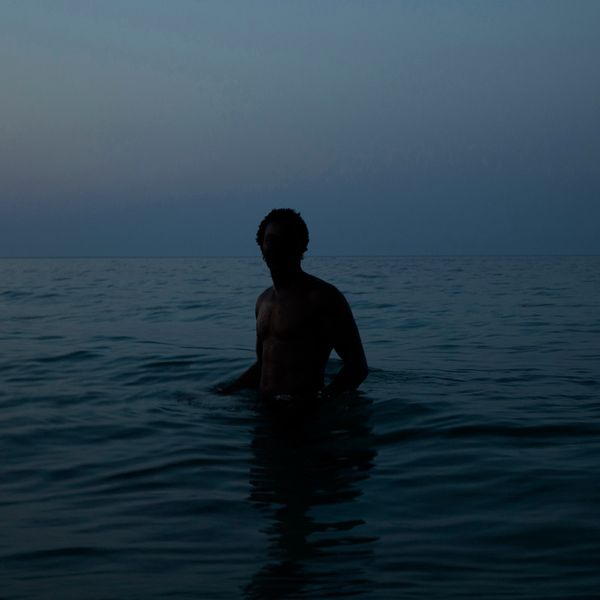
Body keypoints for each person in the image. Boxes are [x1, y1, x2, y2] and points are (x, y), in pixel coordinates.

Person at [219, 208, 367, 404]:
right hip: (264, 412)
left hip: (302, 416)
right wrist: (225, 392)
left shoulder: (322, 298)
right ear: (261, 246)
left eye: (285, 240)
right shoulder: (263, 301)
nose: (276, 247)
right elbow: (262, 366)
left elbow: (357, 367)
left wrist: (322, 401)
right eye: (270, 240)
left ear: (300, 246)